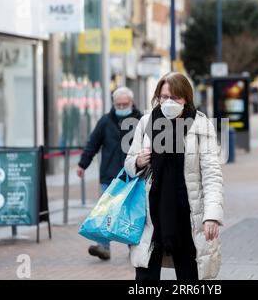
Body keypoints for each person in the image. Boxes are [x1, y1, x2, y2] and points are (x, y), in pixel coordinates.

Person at [124, 72, 224, 280]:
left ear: (186, 98)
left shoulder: (201, 125)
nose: (168, 102)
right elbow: (129, 163)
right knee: (145, 277)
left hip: (186, 217)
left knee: (189, 275)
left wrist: (212, 215)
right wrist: (138, 162)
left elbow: (212, 174)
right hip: (151, 215)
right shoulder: (146, 122)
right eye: (164, 97)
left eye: (175, 97)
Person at [77, 87, 142, 260]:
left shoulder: (141, 121)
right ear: (113, 104)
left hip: (133, 175)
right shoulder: (105, 121)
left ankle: (133, 246)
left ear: (131, 103)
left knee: (131, 213)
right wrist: (82, 164)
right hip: (109, 175)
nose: (121, 107)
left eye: (125, 104)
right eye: (118, 104)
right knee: (105, 212)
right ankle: (103, 247)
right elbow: (93, 143)